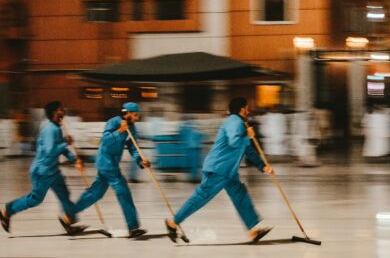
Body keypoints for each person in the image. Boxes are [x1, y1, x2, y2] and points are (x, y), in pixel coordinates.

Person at [165, 98, 274, 243]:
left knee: (240, 195)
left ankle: (252, 231)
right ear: (242, 109)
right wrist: (247, 136)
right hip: (218, 168)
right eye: (247, 108)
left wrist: (262, 165)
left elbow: (247, 149)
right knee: (200, 198)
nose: (248, 111)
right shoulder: (234, 122)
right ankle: (173, 223)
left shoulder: (241, 124)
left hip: (228, 171)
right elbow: (234, 142)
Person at [0, 101, 86, 235]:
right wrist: (65, 142)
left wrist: (74, 159)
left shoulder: (57, 127)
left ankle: (69, 221)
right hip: (42, 172)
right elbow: (50, 151)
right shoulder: (50, 129)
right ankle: (7, 211)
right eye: (60, 109)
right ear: (54, 112)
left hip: (53, 171)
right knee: (35, 199)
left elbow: (61, 149)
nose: (63, 111)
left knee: (64, 195)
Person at [68, 102, 150, 238]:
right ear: (127, 113)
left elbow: (133, 147)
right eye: (135, 115)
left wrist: (141, 160)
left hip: (111, 164)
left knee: (95, 193)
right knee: (123, 191)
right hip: (106, 162)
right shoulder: (113, 122)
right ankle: (133, 227)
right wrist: (119, 131)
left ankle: (69, 215)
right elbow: (105, 141)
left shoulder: (132, 127)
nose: (137, 118)